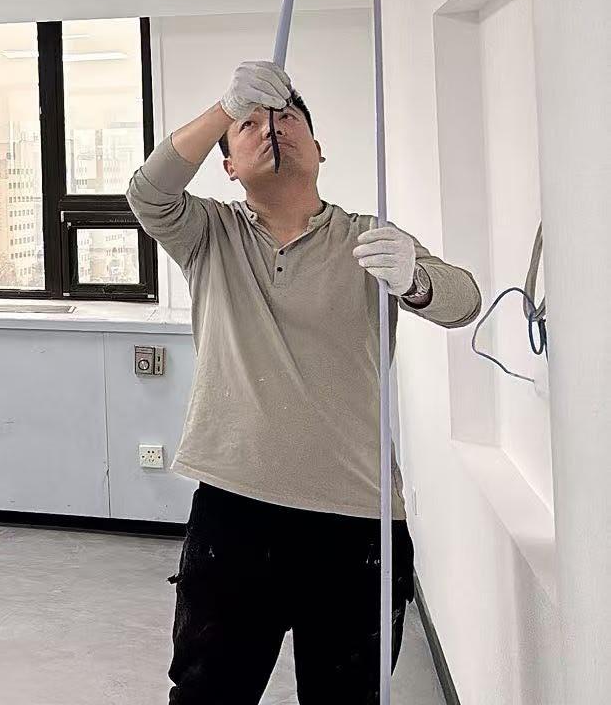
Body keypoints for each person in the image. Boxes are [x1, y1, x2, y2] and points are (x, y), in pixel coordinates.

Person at [128, 60, 480, 703]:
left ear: (319, 150)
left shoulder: (370, 240)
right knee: (208, 695)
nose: (272, 126)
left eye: (288, 116)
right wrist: (223, 106)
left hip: (355, 521)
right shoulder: (211, 234)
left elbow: (465, 302)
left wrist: (416, 279)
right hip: (234, 511)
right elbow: (148, 192)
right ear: (227, 166)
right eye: (250, 124)